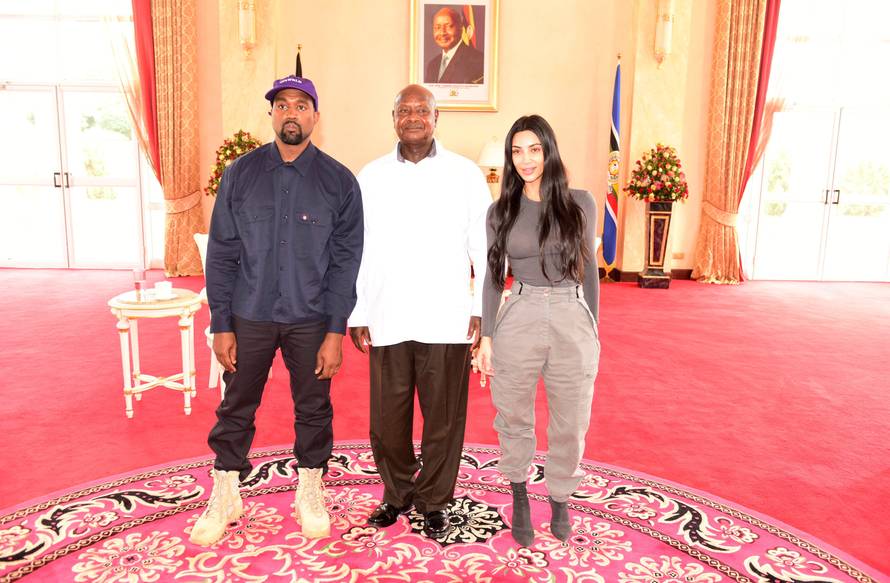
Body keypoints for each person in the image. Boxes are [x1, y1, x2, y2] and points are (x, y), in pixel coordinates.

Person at [189, 75, 364, 547]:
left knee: (313, 406)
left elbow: (346, 262)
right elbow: (222, 253)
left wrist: (334, 330)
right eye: (282, 105)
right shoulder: (240, 175)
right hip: (250, 314)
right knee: (236, 404)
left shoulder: (339, 182)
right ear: (271, 114)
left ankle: (310, 485)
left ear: (315, 117)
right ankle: (226, 489)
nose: (291, 113)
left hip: (310, 317)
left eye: (301, 105)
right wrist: (221, 323)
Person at [347, 84, 490, 539]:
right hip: (388, 316)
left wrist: (479, 305)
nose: (413, 117)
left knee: (443, 420)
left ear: (436, 118)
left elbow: (484, 247)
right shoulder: (369, 177)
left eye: (422, 110)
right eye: (404, 110)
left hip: (446, 318)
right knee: (388, 422)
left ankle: (433, 500)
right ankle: (397, 493)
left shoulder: (465, 175)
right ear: (392, 118)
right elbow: (355, 248)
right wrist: (357, 310)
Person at [474, 114, 600, 547]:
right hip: (520, 312)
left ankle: (561, 496)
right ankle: (519, 492)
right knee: (513, 416)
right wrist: (486, 337)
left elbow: (590, 272)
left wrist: (592, 330)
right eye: (517, 151)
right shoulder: (501, 210)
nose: (525, 159)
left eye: (534, 149)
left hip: (570, 313)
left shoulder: (581, 203)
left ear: (549, 150)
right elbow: (493, 277)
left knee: (571, 421)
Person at [423, 6, 484, 84]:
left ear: (461, 28)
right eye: (437, 27)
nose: (442, 33)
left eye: (449, 26)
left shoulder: (478, 60)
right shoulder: (432, 65)